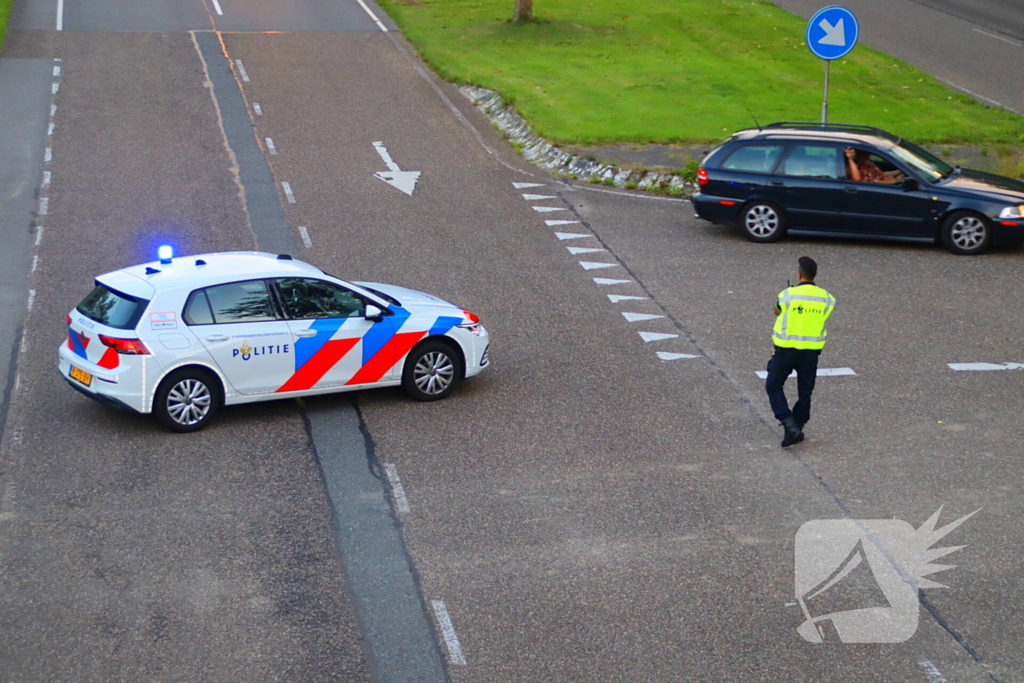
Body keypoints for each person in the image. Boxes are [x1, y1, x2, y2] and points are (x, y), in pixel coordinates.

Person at [765, 257, 836, 447]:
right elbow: (822, 316)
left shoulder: (787, 295)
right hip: (811, 351)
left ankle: (789, 423)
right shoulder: (827, 298)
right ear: (815, 275)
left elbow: (777, 311)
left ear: (798, 274)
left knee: (773, 385)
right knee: (805, 390)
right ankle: (798, 424)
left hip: (786, 349)